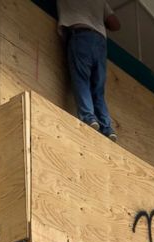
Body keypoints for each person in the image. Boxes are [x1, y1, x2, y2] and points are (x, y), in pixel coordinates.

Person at [57, 0, 120, 141]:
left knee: (81, 80)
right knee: (98, 88)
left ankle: (89, 118)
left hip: (80, 35)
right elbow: (116, 25)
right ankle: (107, 128)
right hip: (100, 42)